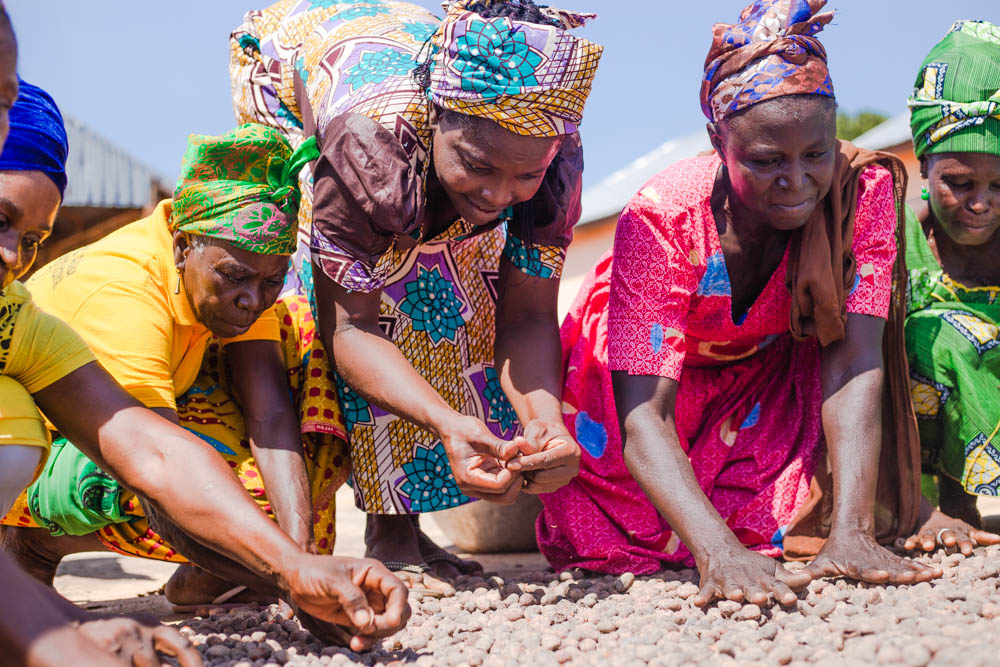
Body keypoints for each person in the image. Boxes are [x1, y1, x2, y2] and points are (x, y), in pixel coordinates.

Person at [536, 0, 940, 607]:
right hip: (633, 384)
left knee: (778, 527)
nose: (798, 181)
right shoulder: (665, 215)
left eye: (816, 154)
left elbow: (856, 359)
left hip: (758, 382)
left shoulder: (862, 193)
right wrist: (717, 555)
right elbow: (643, 412)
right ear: (717, 142)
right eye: (766, 160)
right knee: (617, 535)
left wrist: (850, 534)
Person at [229, 0, 603, 593]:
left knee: (464, 283)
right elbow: (350, 329)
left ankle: (404, 520)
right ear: (436, 121)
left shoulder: (549, 152)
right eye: (478, 164)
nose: (500, 193)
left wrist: (545, 422)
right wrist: (445, 419)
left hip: (403, 53)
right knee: (373, 284)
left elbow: (527, 316)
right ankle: (389, 528)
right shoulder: (368, 147)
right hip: (292, 62)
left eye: (523, 177)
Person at [0, 117, 409, 650]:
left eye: (269, 280)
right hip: (65, 447)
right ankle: (31, 545)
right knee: (235, 511)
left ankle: (222, 572)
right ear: (182, 247)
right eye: (235, 278)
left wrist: (301, 560)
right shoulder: (121, 293)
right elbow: (155, 479)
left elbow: (269, 413)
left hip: (150, 426)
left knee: (301, 330)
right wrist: (288, 583)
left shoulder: (243, 265)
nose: (252, 299)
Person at [900, 20, 1000, 557]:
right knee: (934, 331)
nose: (981, 203)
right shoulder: (896, 250)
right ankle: (942, 505)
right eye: (959, 183)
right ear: (924, 167)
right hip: (915, 457)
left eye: (999, 186)